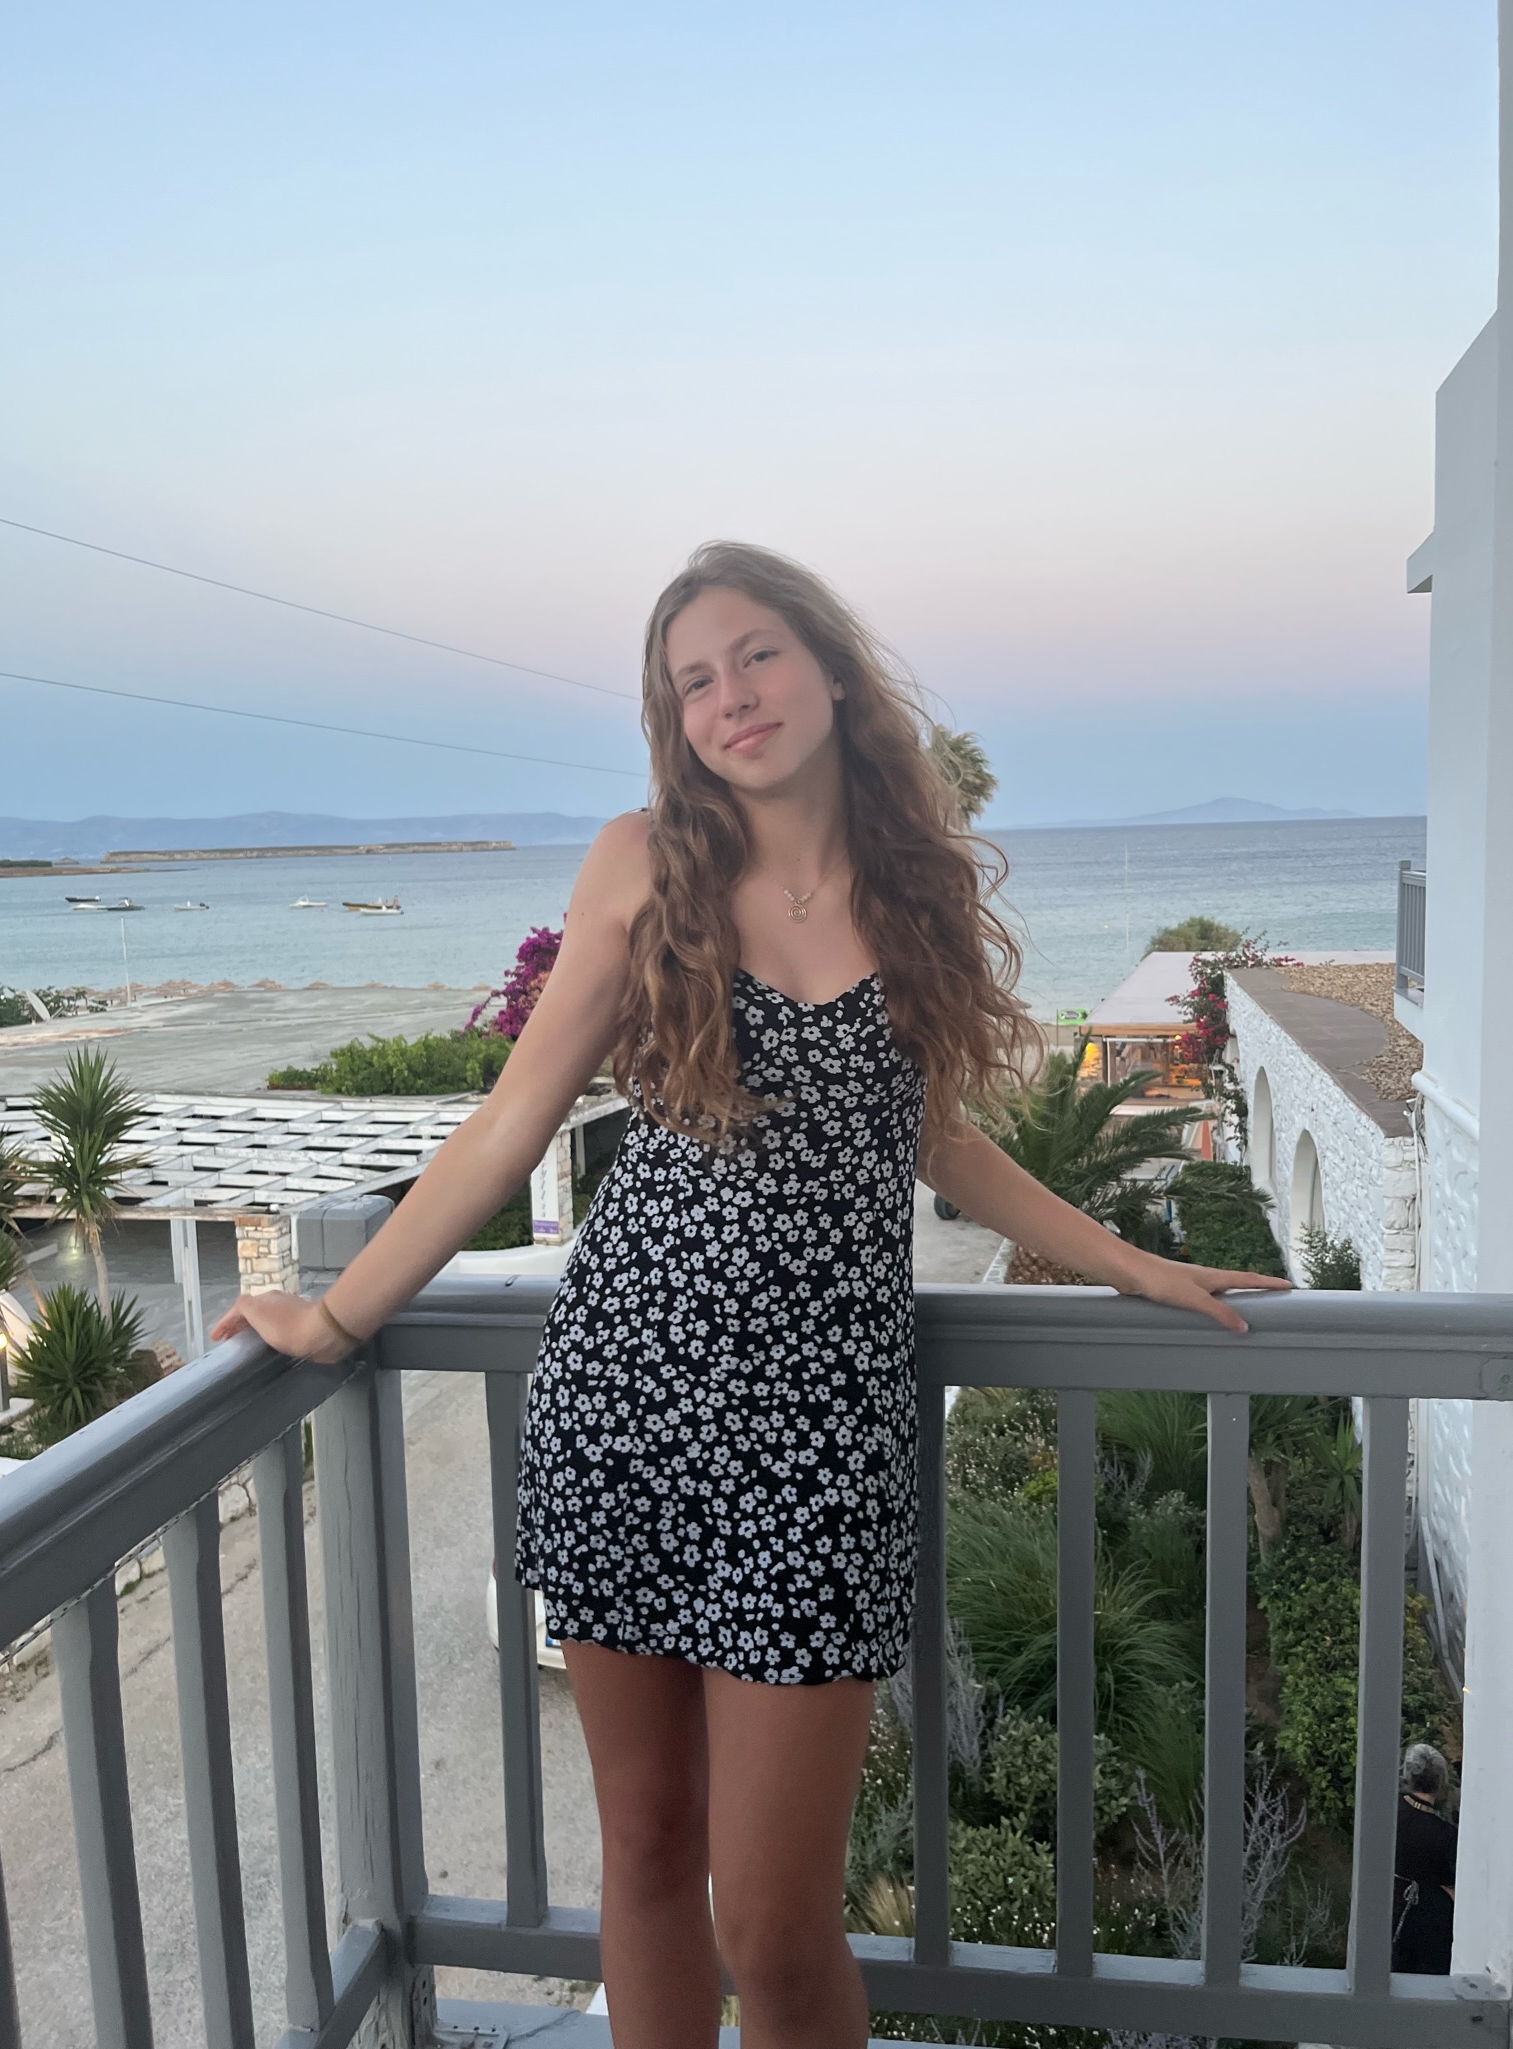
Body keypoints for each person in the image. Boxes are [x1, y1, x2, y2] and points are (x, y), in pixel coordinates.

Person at [212, 541, 1289, 2049]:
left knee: (776, 1924)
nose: (733, 697)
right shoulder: (645, 862)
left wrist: (1131, 1259)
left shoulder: (910, 889)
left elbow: (934, 1139)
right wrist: (335, 1318)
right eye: (695, 682)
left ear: (831, 670)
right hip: (626, 1402)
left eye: (757, 655)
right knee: (649, 1852)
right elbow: (511, 1124)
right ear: (677, 721)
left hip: (822, 1438)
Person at [1393, 1743, 1458, 1975]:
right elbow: (1454, 1891)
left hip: (1386, 1916)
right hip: (1431, 1932)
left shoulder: (1388, 1812)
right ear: (1440, 1782)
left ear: (1407, 1775)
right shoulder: (1446, 1835)